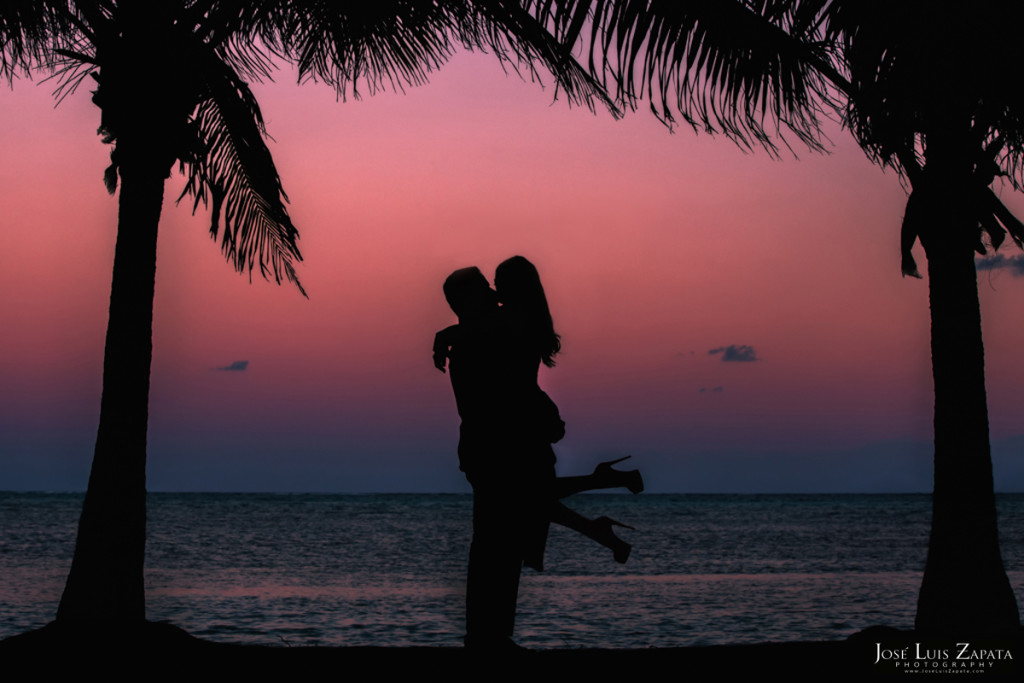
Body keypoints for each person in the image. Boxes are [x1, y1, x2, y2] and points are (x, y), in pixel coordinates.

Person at [436, 260, 642, 649]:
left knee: (502, 541)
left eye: (495, 285)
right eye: (485, 286)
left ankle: (489, 635)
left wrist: (448, 332)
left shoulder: (494, 330)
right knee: (496, 542)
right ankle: (486, 635)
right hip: (494, 447)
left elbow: (512, 380)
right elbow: (493, 395)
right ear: (466, 299)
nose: (494, 294)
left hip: (509, 444)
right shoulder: (476, 339)